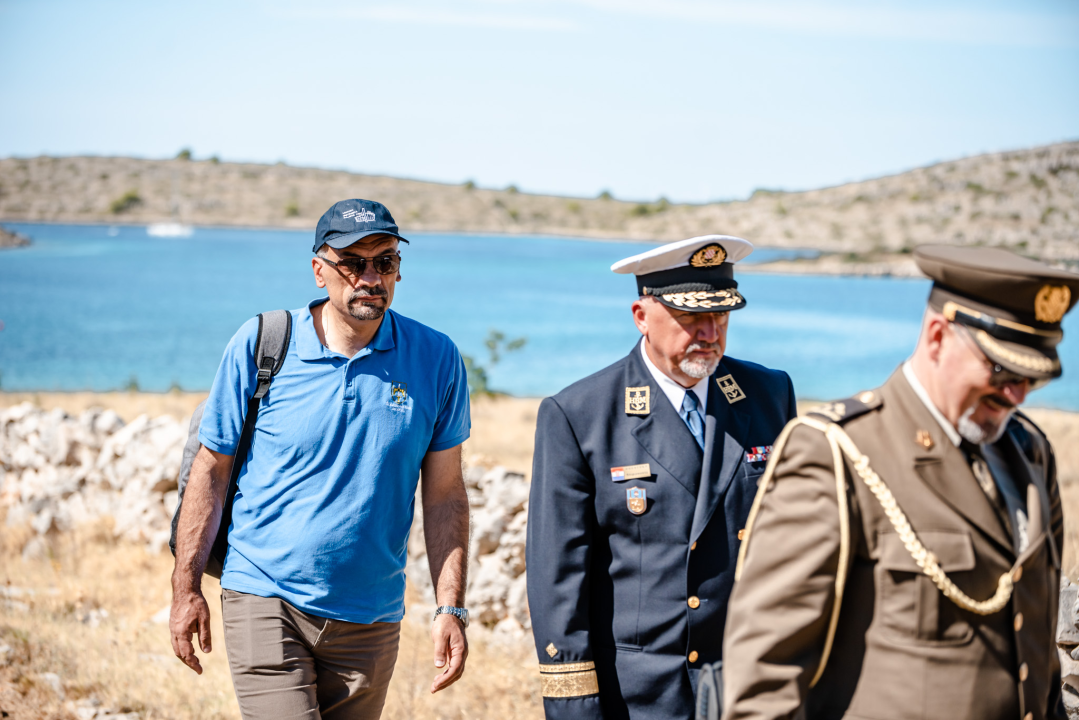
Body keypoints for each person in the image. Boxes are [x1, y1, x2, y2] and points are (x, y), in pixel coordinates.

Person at [723, 245, 1078, 720]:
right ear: (937, 337)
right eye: (1001, 369)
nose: (1016, 395)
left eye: (1031, 378)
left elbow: (1037, 664)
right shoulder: (835, 453)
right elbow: (764, 686)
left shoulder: (1029, 452)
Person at [170, 199, 473, 719]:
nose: (370, 278)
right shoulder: (263, 344)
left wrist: (451, 608)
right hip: (265, 595)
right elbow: (210, 470)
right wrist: (186, 588)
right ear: (319, 271)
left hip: (372, 616)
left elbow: (445, 494)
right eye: (353, 263)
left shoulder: (437, 358)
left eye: (385, 261)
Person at [527, 235, 798, 720]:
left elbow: (792, 539)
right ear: (641, 316)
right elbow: (559, 578)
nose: (710, 333)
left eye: (721, 316)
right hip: (640, 694)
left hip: (749, 682)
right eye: (691, 317)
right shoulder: (581, 414)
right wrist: (575, 706)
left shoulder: (768, 394)